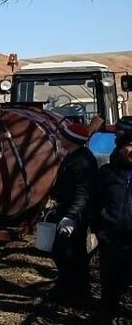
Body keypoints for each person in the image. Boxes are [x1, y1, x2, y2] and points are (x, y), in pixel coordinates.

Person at [88, 116, 132, 325]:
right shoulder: (107, 174)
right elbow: (94, 203)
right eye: (129, 145)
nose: (131, 150)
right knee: (110, 282)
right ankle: (106, 319)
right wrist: (99, 229)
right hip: (112, 237)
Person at [49, 119, 98, 303]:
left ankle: (76, 293)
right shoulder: (74, 156)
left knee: (68, 253)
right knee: (67, 253)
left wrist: (71, 217)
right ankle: (69, 289)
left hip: (75, 213)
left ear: (72, 140)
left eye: (64, 136)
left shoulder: (81, 161)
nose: (60, 138)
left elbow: (82, 192)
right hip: (69, 209)